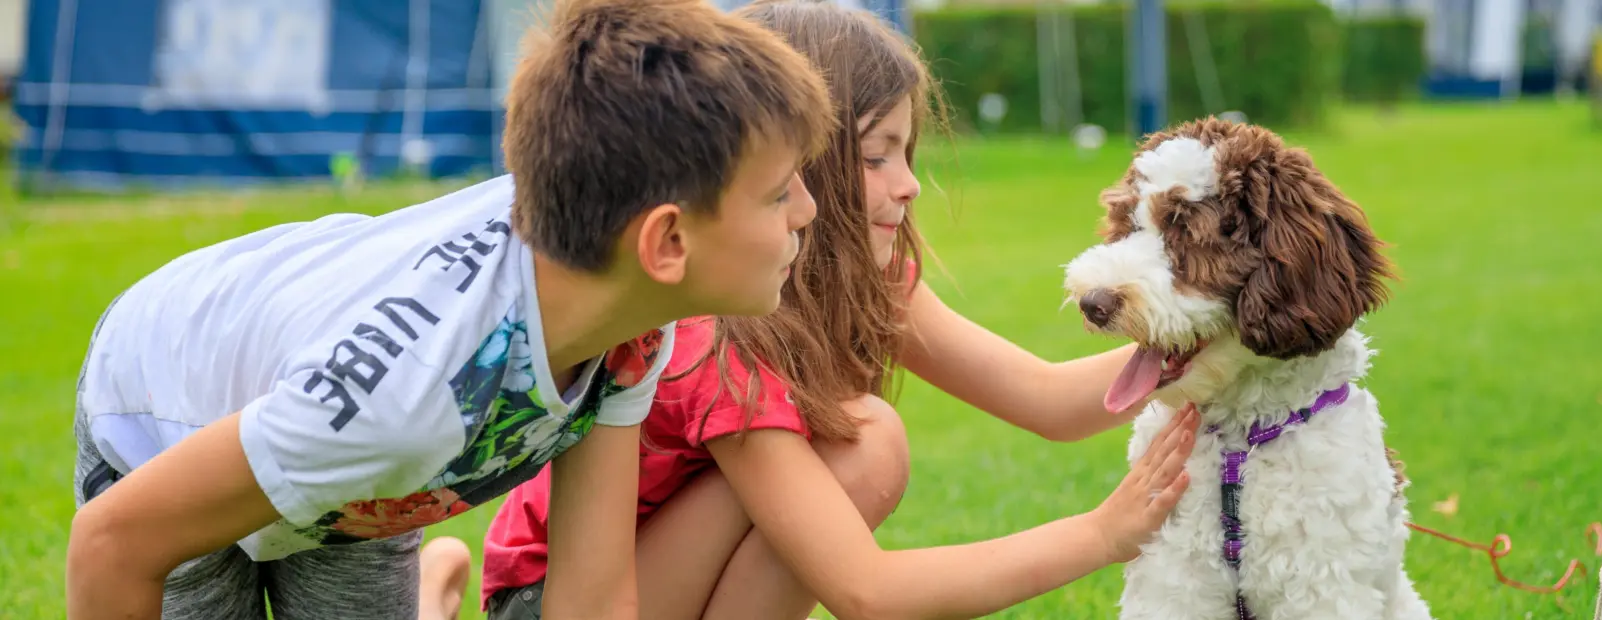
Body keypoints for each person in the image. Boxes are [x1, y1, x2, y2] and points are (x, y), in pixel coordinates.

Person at [419, 1, 1200, 619]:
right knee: (865, 442)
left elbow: (1048, 400)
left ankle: (430, 595)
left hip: (649, 574)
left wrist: (1211, 344)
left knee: (858, 443)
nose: (909, 184)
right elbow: (868, 595)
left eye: (907, 153)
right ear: (788, 161)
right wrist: (1101, 535)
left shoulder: (864, 275)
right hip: (554, 603)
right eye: (873, 156)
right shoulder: (709, 329)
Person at [63, 0, 839, 618]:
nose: (807, 209)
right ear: (665, 240)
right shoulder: (403, 398)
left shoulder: (625, 309)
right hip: (173, 413)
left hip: (352, 478)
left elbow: (593, 599)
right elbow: (113, 542)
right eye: (779, 193)